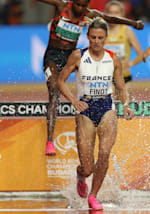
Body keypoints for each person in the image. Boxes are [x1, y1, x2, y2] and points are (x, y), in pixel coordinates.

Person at [37, 0, 143, 156]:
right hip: (52, 56)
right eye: (78, 5)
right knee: (54, 90)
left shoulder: (88, 14)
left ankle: (95, 116)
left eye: (83, 5)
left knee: (93, 76)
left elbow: (110, 18)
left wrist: (133, 23)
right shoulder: (61, 6)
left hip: (69, 56)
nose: (80, 9)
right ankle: (50, 141)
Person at [57, 17, 134, 210]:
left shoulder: (114, 58)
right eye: (93, 37)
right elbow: (60, 81)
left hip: (107, 107)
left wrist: (126, 104)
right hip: (85, 108)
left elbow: (121, 85)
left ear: (106, 38)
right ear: (88, 37)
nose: (97, 41)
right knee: (88, 166)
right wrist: (74, 101)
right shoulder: (78, 56)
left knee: (104, 153)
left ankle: (93, 195)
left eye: (100, 37)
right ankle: (81, 175)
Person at [104, 1, 144, 97]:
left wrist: (130, 64)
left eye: (116, 13)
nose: (113, 16)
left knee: (125, 103)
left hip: (124, 76)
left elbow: (141, 55)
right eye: (110, 12)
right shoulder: (102, 31)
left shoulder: (127, 31)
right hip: (106, 77)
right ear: (105, 14)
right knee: (110, 105)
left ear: (122, 14)